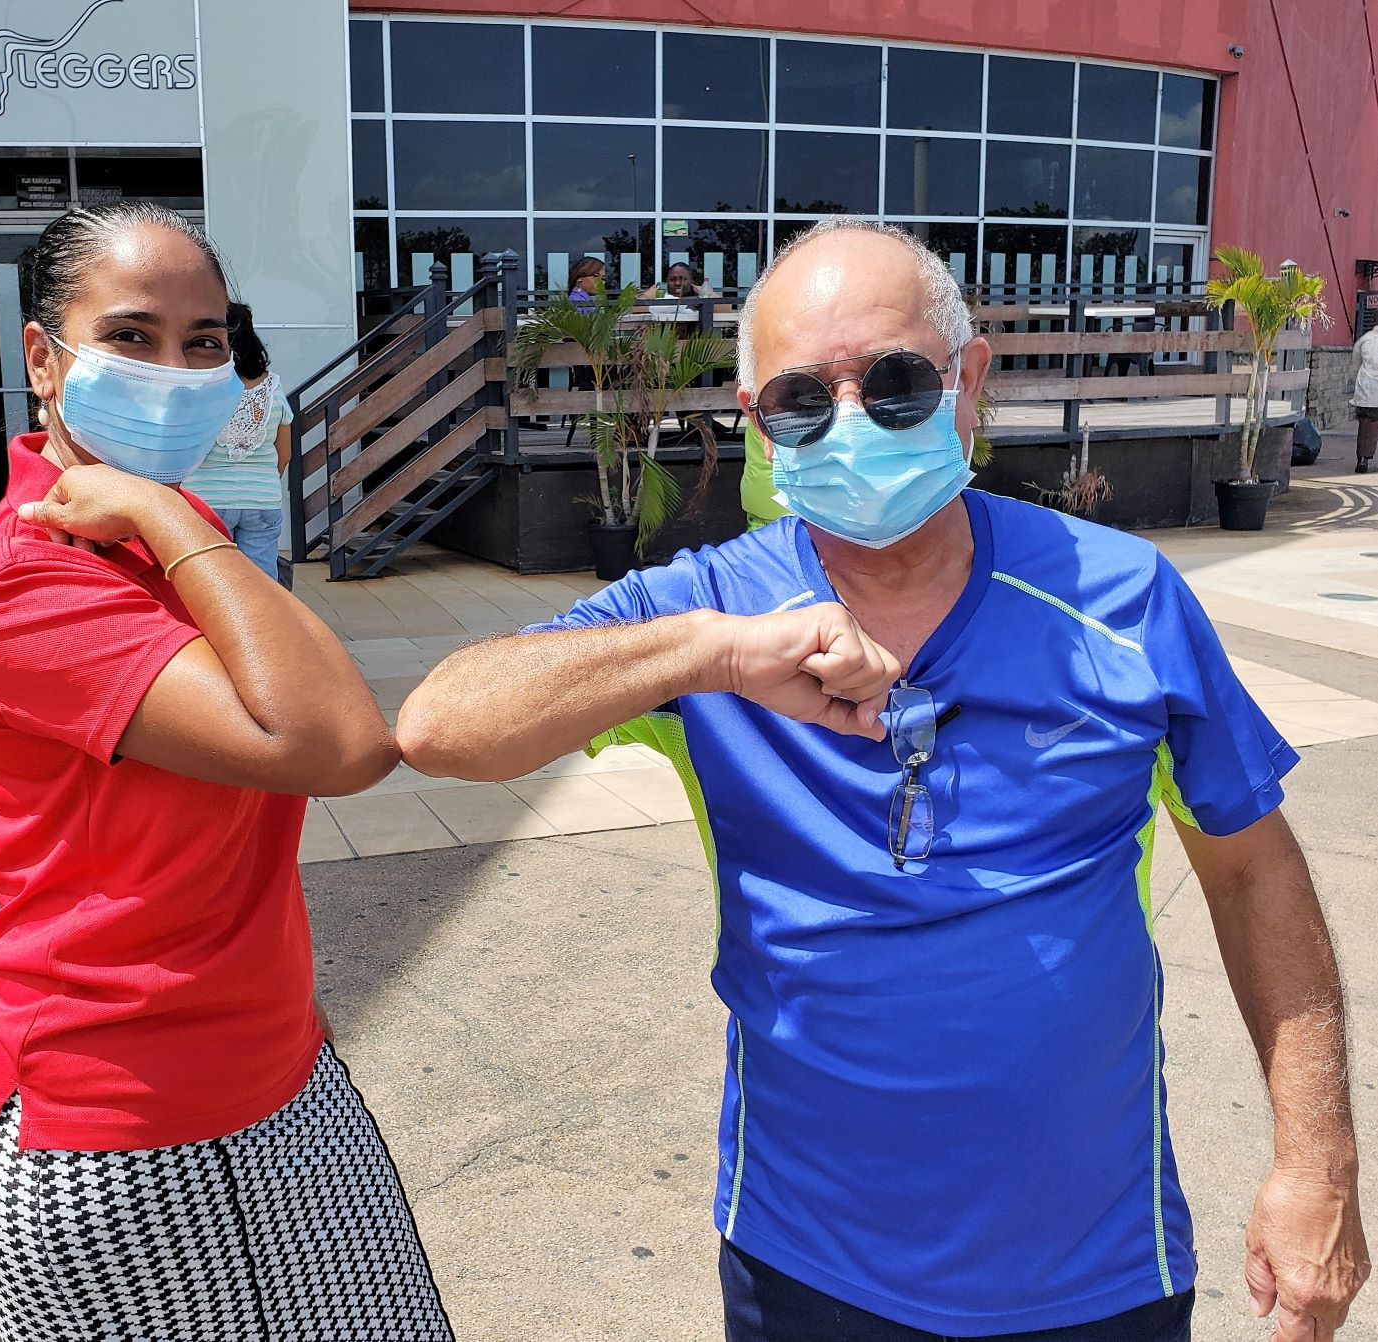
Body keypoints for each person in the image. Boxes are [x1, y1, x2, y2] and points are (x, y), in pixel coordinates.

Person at [396, 219, 1369, 1341]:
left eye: (896, 381)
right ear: (758, 424)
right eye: (803, 399)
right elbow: (440, 726)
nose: (852, 424)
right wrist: (710, 654)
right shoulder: (710, 610)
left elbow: (1254, 872)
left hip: (1094, 1265)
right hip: (806, 1259)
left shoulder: (1123, 598)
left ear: (969, 380)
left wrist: (1316, 1163)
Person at [0, 201, 453, 1342]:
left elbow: (322, 688)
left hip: (253, 1073)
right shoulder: (38, 579)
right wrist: (172, 515)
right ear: (43, 357)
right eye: (131, 336)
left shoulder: (149, 531)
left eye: (205, 341)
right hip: (133, 1130)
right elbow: (338, 744)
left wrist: (169, 517)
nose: (175, 372)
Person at [182, 301, 292, 579]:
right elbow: (285, 452)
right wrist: (259, 483)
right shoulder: (274, 387)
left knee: (215, 581)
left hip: (206, 499)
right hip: (263, 499)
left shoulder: (201, 389)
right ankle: (266, 624)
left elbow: (188, 448)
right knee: (263, 581)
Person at [1351, 324, 1378, 472]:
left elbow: (1355, 366)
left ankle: (1363, 459)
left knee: (1367, 425)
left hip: (1366, 391)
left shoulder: (1364, 340)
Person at [642, 260, 714, 301]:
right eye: (672, 279)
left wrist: (700, 293)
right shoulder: (660, 290)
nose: (677, 283)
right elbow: (636, 306)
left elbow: (723, 307)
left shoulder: (698, 292)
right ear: (666, 281)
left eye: (683, 279)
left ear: (691, 281)